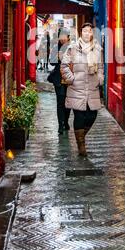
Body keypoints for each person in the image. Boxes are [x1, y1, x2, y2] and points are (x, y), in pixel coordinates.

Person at [61, 23, 104, 157]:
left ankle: (80, 136)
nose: (87, 33)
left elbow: (101, 66)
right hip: (76, 88)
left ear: (92, 33)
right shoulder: (72, 48)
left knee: (92, 115)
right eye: (84, 31)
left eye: (89, 31)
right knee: (79, 115)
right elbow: (64, 65)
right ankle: (81, 146)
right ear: (81, 33)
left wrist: (100, 79)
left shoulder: (97, 49)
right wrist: (71, 79)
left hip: (92, 88)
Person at [49, 29, 71, 135]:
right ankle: (60, 125)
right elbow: (52, 63)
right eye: (60, 36)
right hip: (58, 79)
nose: (62, 38)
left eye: (64, 36)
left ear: (68, 37)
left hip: (69, 79)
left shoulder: (73, 48)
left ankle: (66, 121)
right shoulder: (55, 48)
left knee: (68, 103)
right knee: (60, 102)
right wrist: (57, 58)